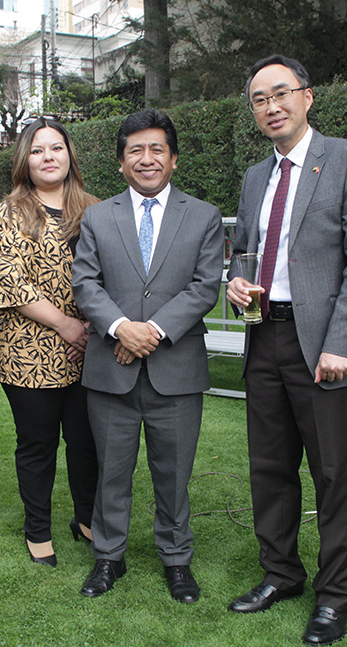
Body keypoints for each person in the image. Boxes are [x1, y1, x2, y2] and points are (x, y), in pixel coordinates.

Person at [225, 54, 347, 646]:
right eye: (259, 99)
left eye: (280, 93)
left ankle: (334, 595)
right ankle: (280, 575)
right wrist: (234, 282)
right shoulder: (253, 177)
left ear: (307, 96)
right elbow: (244, 251)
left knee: (333, 472)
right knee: (269, 467)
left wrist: (343, 341)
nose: (271, 106)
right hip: (263, 334)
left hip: (323, 344)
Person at [72, 110, 223, 603]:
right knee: (111, 471)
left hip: (175, 371)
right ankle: (108, 558)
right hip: (110, 370)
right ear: (121, 163)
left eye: (157, 149)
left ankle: (176, 559)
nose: (147, 158)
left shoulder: (203, 216)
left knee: (174, 474)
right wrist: (120, 327)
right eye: (135, 150)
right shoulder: (97, 216)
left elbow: (204, 288)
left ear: (173, 159)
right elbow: (85, 284)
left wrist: (152, 331)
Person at [0, 118, 101, 567]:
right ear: (24, 160)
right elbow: (12, 284)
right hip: (28, 352)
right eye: (37, 150)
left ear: (70, 155)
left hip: (90, 349)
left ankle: (88, 517)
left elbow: (113, 274)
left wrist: (88, 329)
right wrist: (67, 326)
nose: (48, 157)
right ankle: (38, 530)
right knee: (37, 445)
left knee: (86, 442)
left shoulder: (95, 209)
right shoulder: (11, 212)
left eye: (56, 148)